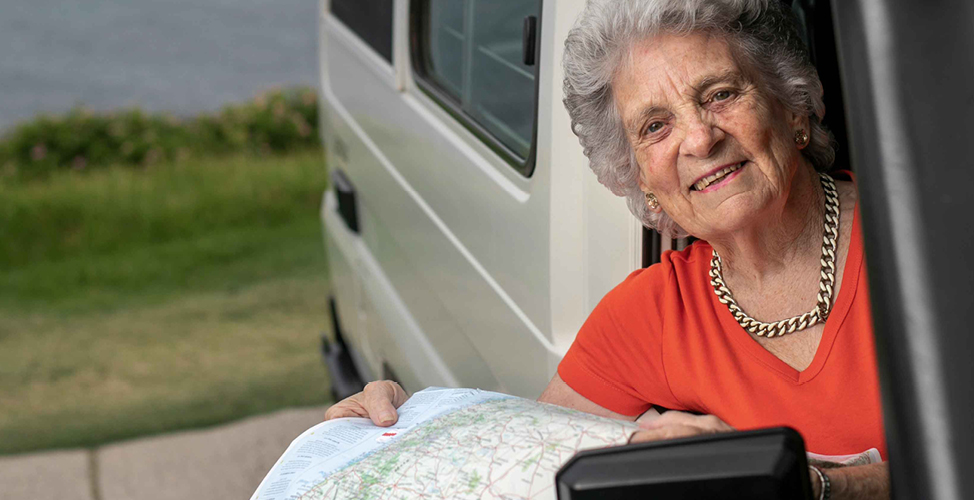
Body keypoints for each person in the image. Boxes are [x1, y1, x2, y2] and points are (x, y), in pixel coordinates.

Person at [324, 0, 889, 498]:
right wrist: (403, 430)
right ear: (642, 179)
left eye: (720, 95)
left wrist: (808, 484)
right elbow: (515, 459)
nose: (699, 138)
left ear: (792, 107)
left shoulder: (918, 247)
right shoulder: (654, 314)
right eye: (655, 127)